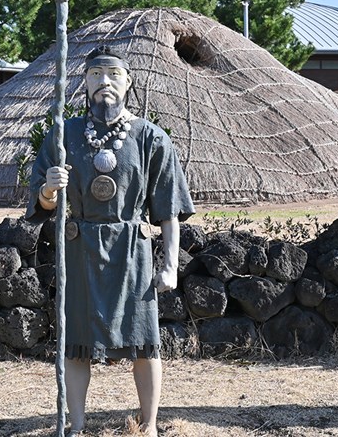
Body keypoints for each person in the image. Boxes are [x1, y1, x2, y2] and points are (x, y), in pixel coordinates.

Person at [29, 46, 196, 437]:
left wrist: (169, 264)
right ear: (84, 83)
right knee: (75, 344)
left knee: (145, 340)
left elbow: (168, 208)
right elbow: (41, 200)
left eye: (113, 74)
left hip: (131, 251)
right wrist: (50, 189)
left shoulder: (150, 137)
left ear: (128, 82)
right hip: (79, 248)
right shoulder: (64, 134)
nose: (104, 81)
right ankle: (77, 424)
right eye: (95, 74)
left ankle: (150, 425)